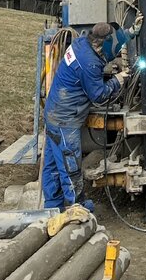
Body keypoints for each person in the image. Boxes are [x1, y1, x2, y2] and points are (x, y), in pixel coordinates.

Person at [41, 19, 139, 211]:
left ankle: (52, 209)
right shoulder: (90, 63)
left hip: (53, 113)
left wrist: (131, 32)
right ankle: (79, 209)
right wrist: (117, 80)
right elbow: (99, 95)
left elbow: (114, 39)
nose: (117, 50)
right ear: (103, 44)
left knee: (52, 166)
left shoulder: (82, 43)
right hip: (65, 119)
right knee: (70, 166)